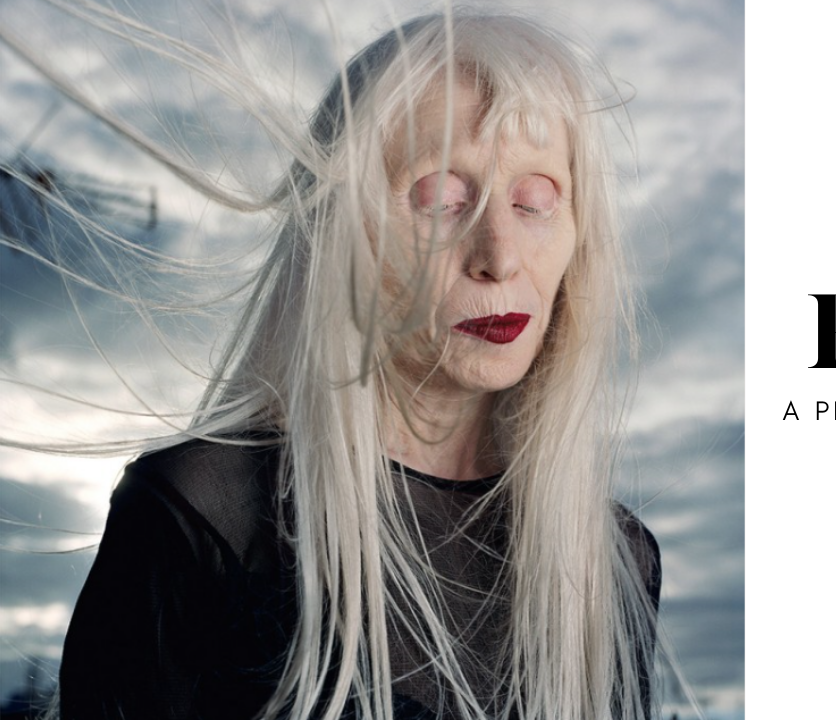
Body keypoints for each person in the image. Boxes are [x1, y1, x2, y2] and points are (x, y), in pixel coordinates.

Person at [49, 11, 662, 720]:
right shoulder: (204, 511)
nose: (499, 255)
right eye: (440, 198)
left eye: (535, 202)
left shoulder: (614, 561)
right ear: (340, 228)